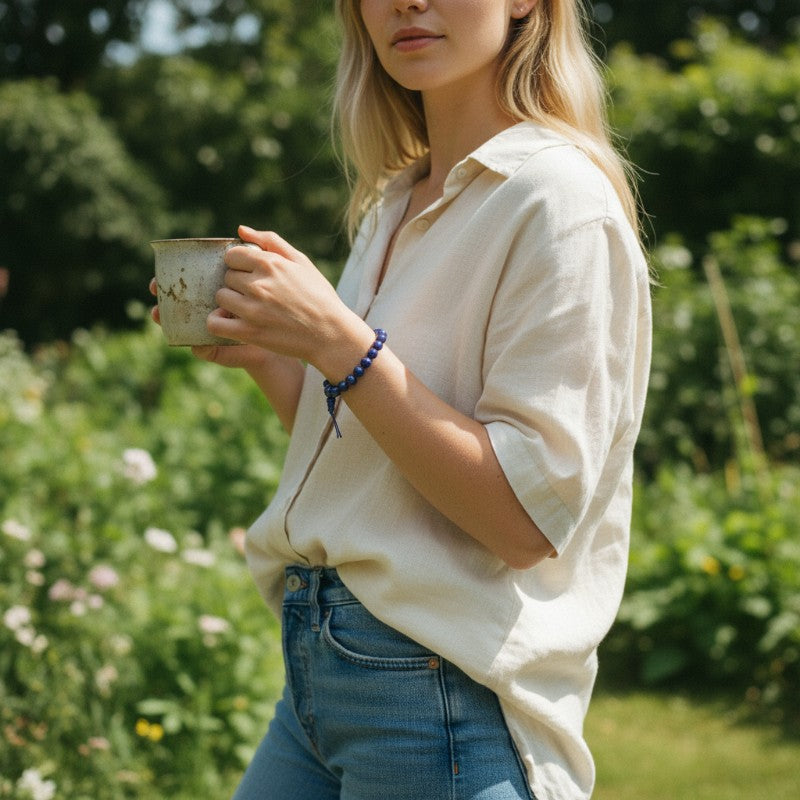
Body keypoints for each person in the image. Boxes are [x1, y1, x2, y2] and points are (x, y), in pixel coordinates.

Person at [151, 1, 651, 798]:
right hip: (321, 675)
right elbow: (379, 460)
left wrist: (340, 343)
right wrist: (273, 360)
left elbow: (523, 521)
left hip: (440, 698)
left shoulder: (556, 203)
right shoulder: (396, 202)